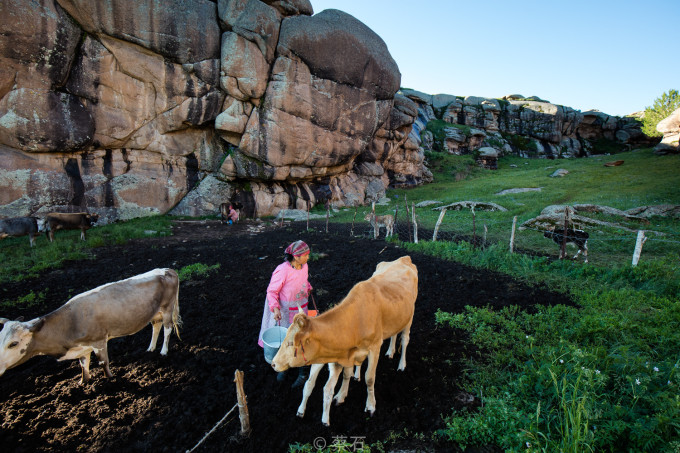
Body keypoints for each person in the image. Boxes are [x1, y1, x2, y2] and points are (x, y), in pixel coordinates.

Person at [258, 240, 312, 388]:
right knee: (288, 339)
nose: (308, 257)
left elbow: (303, 280)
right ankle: (285, 365)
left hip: (301, 307)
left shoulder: (304, 266)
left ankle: (303, 372)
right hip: (285, 310)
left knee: (301, 338)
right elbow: (272, 291)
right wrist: (275, 308)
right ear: (296, 257)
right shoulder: (282, 270)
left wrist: (308, 286)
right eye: (305, 255)